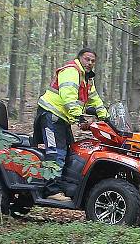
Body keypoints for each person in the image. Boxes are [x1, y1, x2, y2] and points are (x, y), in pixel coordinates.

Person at [34, 47, 109, 202]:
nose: (90, 63)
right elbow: (68, 98)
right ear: (80, 58)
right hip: (51, 114)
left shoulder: (87, 78)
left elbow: (95, 99)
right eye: (87, 59)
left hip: (62, 118)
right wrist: (79, 118)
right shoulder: (71, 71)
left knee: (71, 151)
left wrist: (106, 117)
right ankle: (51, 190)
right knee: (56, 152)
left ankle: (62, 185)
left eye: (93, 61)